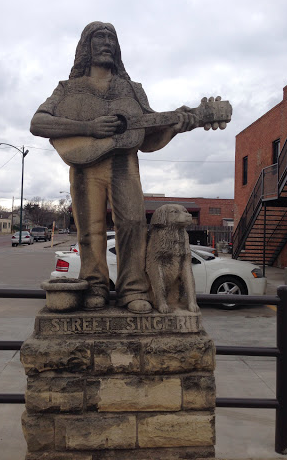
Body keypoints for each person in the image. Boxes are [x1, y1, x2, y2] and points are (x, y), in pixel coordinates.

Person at [30, 21, 197, 313]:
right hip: (85, 166)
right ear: (86, 45)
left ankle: (132, 289)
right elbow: (38, 122)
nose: (107, 42)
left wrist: (175, 127)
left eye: (111, 37)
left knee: (133, 224)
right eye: (100, 37)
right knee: (89, 229)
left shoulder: (131, 89)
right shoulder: (67, 89)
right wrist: (88, 127)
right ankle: (95, 285)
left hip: (124, 165)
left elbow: (146, 134)